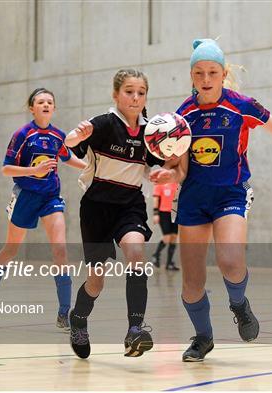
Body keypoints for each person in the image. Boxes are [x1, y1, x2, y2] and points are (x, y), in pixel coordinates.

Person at [150, 39, 272, 362]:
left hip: (231, 194)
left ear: (223, 73)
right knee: (191, 282)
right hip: (194, 200)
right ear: (191, 76)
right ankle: (203, 337)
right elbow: (181, 168)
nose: (206, 78)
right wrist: (169, 175)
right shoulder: (183, 115)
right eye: (199, 73)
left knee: (231, 262)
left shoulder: (242, 106)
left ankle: (239, 304)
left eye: (213, 72)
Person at [65, 69, 164, 359]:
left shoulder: (150, 132)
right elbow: (70, 144)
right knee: (97, 280)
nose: (135, 97)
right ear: (116, 95)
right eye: (129, 91)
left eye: (141, 92)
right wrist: (74, 137)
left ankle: (135, 330)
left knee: (136, 251)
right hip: (97, 207)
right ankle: (79, 319)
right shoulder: (104, 123)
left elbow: (156, 165)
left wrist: (162, 173)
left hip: (130, 204)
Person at [0, 88, 86, 330]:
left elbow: (67, 157)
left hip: (50, 197)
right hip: (26, 196)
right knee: (12, 249)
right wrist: (32, 171)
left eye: (50, 101)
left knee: (60, 250)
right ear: (32, 107)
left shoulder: (59, 135)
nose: (46, 105)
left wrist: (90, 169)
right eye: (40, 101)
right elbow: (6, 169)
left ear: (54, 108)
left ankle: (63, 313)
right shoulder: (23, 134)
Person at [150, 182, 180, 270]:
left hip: (175, 213)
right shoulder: (161, 183)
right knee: (167, 237)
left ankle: (169, 263)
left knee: (174, 237)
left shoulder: (177, 184)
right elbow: (156, 198)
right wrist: (156, 214)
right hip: (163, 213)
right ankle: (156, 255)